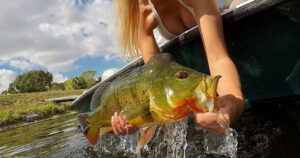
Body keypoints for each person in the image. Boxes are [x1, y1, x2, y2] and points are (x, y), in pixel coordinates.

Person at [111, 0, 245, 135]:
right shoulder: (142, 14)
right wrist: (136, 120)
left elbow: (218, 58)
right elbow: (156, 83)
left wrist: (234, 98)